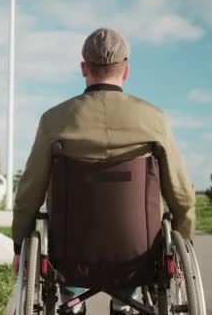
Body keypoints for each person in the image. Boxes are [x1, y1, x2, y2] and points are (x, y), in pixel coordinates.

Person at [11, 28, 196, 314]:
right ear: (126, 71)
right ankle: (123, 303)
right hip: (138, 256)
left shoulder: (54, 120)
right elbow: (181, 193)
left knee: (67, 253)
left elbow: (29, 193)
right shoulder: (154, 119)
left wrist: (18, 246)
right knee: (136, 248)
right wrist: (185, 238)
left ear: (84, 68)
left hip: (71, 256)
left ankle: (71, 303)